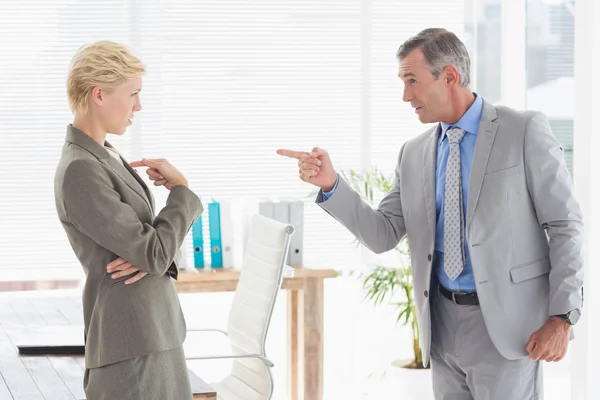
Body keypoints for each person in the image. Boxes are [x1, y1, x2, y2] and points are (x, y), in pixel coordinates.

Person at [278, 28, 584, 399]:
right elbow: (382, 234)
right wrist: (331, 185)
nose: (406, 95)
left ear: (450, 76)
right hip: (441, 326)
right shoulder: (414, 153)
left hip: (508, 328)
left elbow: (565, 225)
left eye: (412, 81)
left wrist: (562, 317)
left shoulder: (522, 130)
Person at [54, 41, 203, 399]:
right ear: (99, 94)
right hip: (131, 347)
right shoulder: (80, 169)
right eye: (133, 93)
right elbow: (154, 251)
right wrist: (181, 191)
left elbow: (157, 250)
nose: (139, 105)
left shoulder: (105, 155)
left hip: (154, 336)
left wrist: (155, 255)